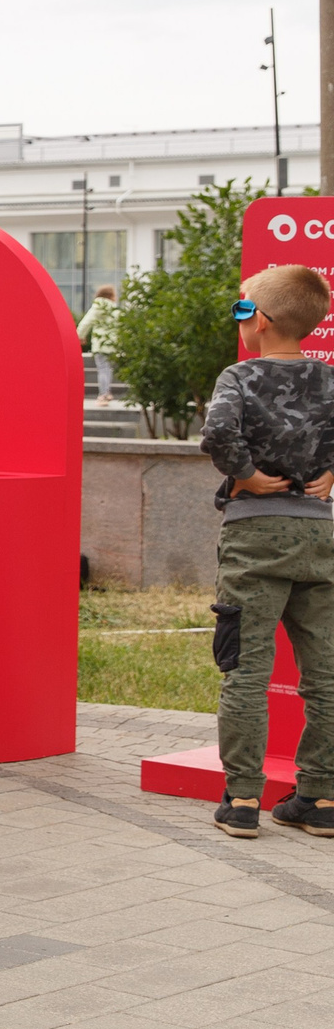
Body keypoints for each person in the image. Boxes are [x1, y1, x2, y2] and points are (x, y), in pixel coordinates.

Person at [201, 265, 334, 837]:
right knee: (326, 673)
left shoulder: (238, 376)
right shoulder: (330, 380)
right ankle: (321, 799)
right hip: (322, 537)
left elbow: (216, 434)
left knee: (247, 669)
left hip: (256, 532)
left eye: (240, 310)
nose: (240, 319)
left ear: (261, 319)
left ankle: (243, 799)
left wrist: (249, 476)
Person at [79, 284, 119, 406]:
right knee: (107, 369)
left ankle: (103, 394)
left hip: (101, 343)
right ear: (110, 296)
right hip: (112, 344)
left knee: (102, 368)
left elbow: (86, 322)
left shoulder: (97, 307)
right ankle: (106, 392)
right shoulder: (114, 309)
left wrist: (79, 336)